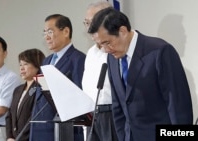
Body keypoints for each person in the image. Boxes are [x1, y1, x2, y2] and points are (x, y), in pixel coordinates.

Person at [88, 7, 193, 141]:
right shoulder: (111, 58)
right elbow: (118, 107)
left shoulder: (160, 51)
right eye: (101, 45)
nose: (105, 50)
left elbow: (178, 106)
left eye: (107, 42)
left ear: (122, 31)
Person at [29, 14, 86, 141]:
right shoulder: (47, 61)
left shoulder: (78, 59)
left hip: (62, 129)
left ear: (66, 31)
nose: (46, 37)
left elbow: (78, 98)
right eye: (44, 33)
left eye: (50, 31)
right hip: (40, 124)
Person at [82, 1, 118, 141]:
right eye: (86, 22)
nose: (89, 28)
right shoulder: (90, 53)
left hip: (112, 115)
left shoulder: (117, 49)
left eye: (93, 22)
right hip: (92, 117)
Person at [6, 48, 45, 141]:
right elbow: (9, 115)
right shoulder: (18, 90)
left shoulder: (42, 87)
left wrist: (20, 139)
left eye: (26, 64)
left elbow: (35, 117)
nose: (21, 68)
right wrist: (9, 137)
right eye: (20, 65)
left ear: (37, 65)